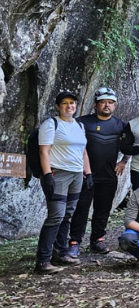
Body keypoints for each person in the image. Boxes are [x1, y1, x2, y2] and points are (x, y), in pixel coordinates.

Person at [67, 87, 133, 258]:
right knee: (81, 209)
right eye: (103, 102)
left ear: (115, 105)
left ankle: (98, 240)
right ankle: (74, 242)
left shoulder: (121, 125)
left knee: (102, 210)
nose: (107, 105)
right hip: (84, 175)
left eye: (110, 102)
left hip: (109, 175)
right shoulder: (82, 122)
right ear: (95, 104)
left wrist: (124, 161)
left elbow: (130, 145)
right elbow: (71, 144)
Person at [35, 91, 92, 274]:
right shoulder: (51, 124)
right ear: (58, 106)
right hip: (58, 173)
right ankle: (43, 261)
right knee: (56, 216)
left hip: (76, 175)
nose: (69, 106)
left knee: (68, 214)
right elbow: (44, 151)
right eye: (65, 103)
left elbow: (83, 152)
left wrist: (88, 173)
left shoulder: (79, 125)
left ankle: (61, 252)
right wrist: (47, 175)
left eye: (72, 103)